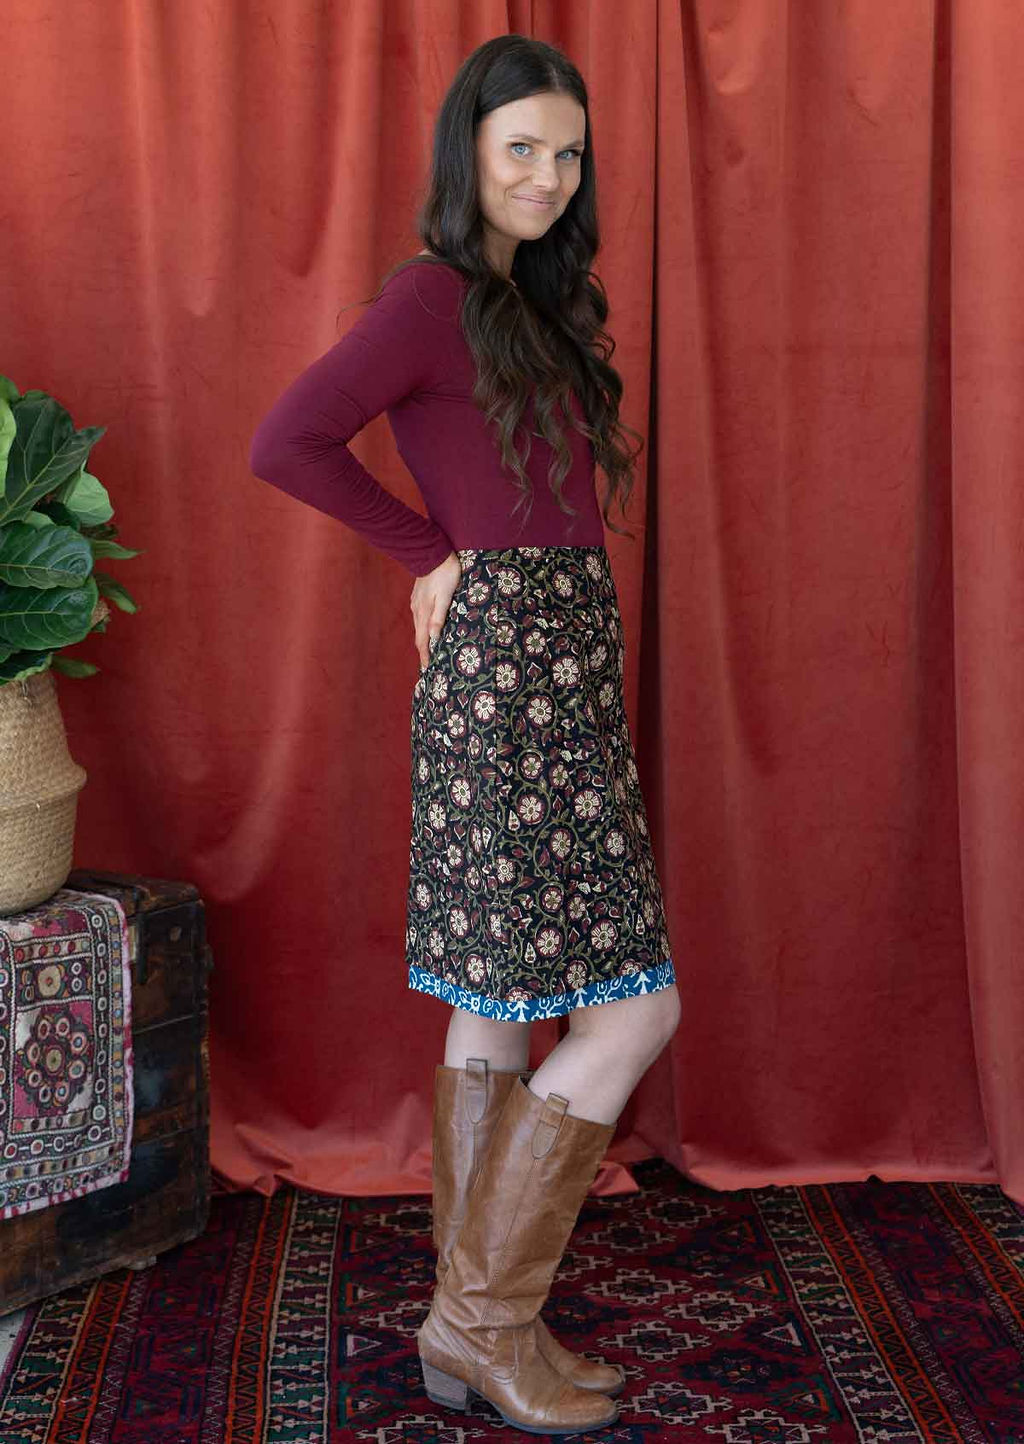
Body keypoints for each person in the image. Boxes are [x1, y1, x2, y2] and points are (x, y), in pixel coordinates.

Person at [249, 32, 681, 1436]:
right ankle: (482, 1323)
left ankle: (468, 1329)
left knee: (494, 998)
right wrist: (426, 555)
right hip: (505, 674)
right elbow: (289, 440)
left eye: (568, 154)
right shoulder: (430, 299)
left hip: (555, 668)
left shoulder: (532, 308)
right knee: (634, 1003)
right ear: (468, 159)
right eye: (521, 152)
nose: (549, 178)